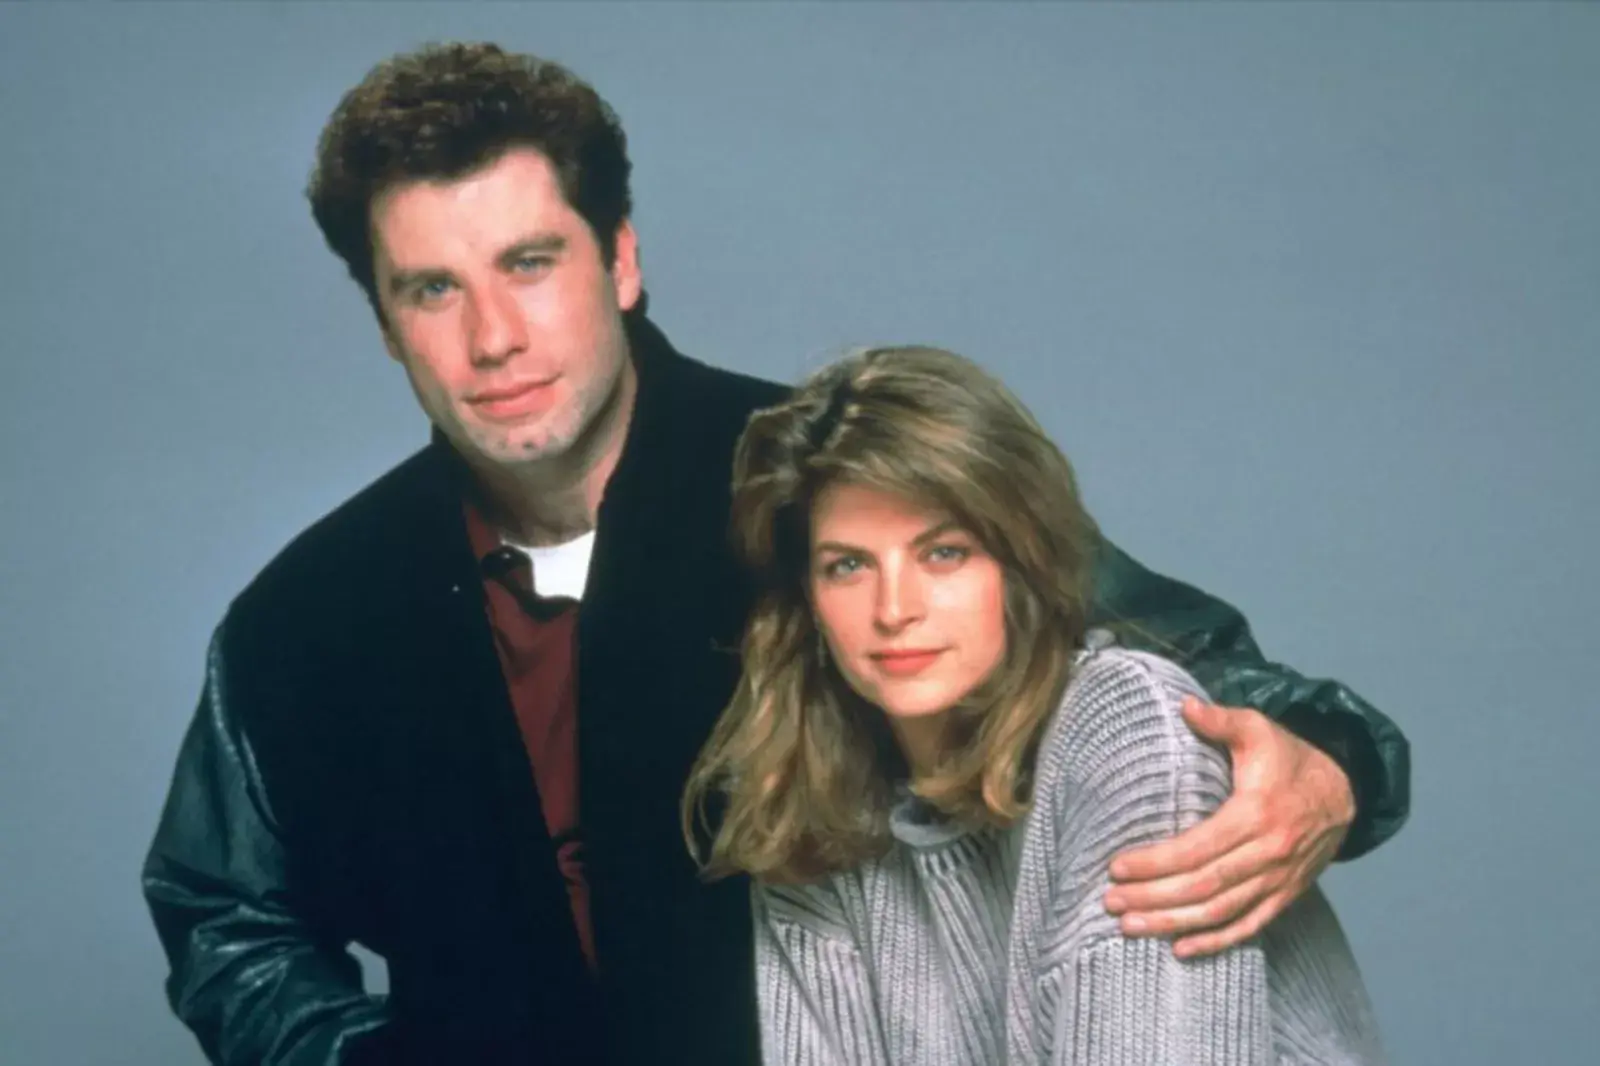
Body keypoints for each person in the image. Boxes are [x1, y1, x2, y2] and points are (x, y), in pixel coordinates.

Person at [140, 41, 1408, 1066]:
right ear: (383, 320)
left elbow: (1164, 661)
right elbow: (220, 911)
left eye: (530, 263)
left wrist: (1333, 766)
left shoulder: (828, 487)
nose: (494, 336)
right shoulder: (308, 614)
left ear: (619, 260)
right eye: (431, 288)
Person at [683, 344, 1388, 1065]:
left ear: (1020, 564)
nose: (894, 609)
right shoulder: (810, 812)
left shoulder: (1128, 733)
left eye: (944, 553)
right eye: (849, 565)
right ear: (809, 599)